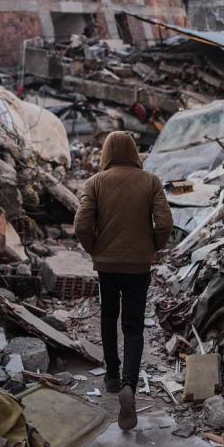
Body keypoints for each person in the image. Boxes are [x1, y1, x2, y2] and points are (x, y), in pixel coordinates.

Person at [74, 131, 173, 430]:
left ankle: (112, 377)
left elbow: (81, 224)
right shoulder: (151, 181)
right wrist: (152, 246)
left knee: (108, 317)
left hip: (107, 266)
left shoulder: (95, 183)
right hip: (138, 267)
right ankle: (130, 383)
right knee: (133, 326)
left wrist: (95, 249)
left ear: (106, 153)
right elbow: (165, 222)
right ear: (133, 152)